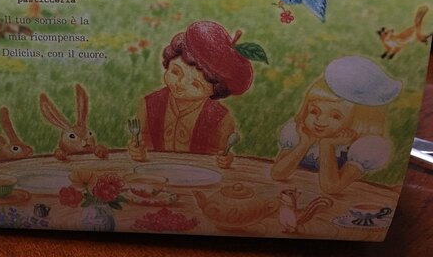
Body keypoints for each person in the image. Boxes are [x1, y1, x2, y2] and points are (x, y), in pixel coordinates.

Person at [128, 21, 257, 168]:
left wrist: (224, 159)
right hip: (156, 171)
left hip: (200, 174)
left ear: (215, 91)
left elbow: (220, 154)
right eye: (175, 72)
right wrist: (137, 149)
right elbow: (143, 142)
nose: (180, 84)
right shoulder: (149, 105)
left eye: (195, 85)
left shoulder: (220, 118)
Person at [271, 56, 400, 194]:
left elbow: (331, 187)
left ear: (358, 122)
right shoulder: (298, 134)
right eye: (314, 111)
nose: (319, 120)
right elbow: (277, 174)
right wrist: (304, 144)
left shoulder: (362, 148)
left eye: (335, 116)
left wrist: (327, 145)